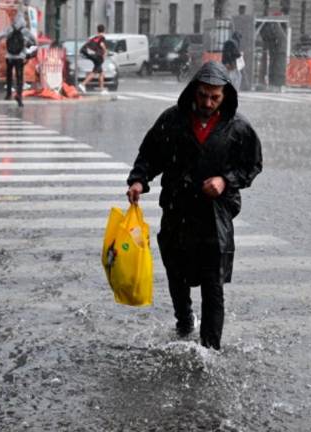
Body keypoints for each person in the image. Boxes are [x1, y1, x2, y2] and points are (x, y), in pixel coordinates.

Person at [126, 61, 262, 350]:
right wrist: (138, 180)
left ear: (225, 96)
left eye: (215, 97)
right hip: (178, 208)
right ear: (193, 91)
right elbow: (150, 154)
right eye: (202, 95)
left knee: (213, 282)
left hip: (215, 214)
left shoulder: (238, 127)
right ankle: (184, 319)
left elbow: (251, 165)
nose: (208, 103)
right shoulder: (173, 120)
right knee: (176, 270)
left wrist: (225, 181)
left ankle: (210, 347)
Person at [0, 8, 36, 107]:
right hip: (20, 57)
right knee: (19, 77)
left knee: (9, 75)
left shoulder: (10, 29)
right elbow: (34, 41)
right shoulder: (25, 31)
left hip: (9, 56)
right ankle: (19, 95)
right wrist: (28, 46)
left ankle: (8, 93)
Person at [78, 24, 108, 94]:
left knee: (101, 72)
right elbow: (102, 45)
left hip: (93, 55)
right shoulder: (102, 38)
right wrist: (105, 52)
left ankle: (102, 90)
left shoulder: (95, 37)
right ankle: (83, 84)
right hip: (97, 57)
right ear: (104, 30)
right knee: (95, 72)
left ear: (97, 30)